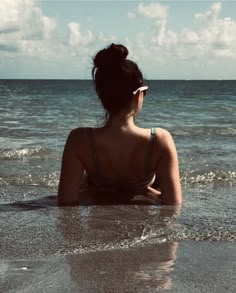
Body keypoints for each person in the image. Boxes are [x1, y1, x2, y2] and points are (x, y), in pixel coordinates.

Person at [58, 43, 181, 206]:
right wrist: (144, 190)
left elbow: (67, 201)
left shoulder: (79, 139)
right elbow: (173, 203)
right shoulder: (159, 140)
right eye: (144, 91)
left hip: (97, 213)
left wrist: (97, 192)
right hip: (142, 223)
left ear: (101, 96)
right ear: (138, 96)